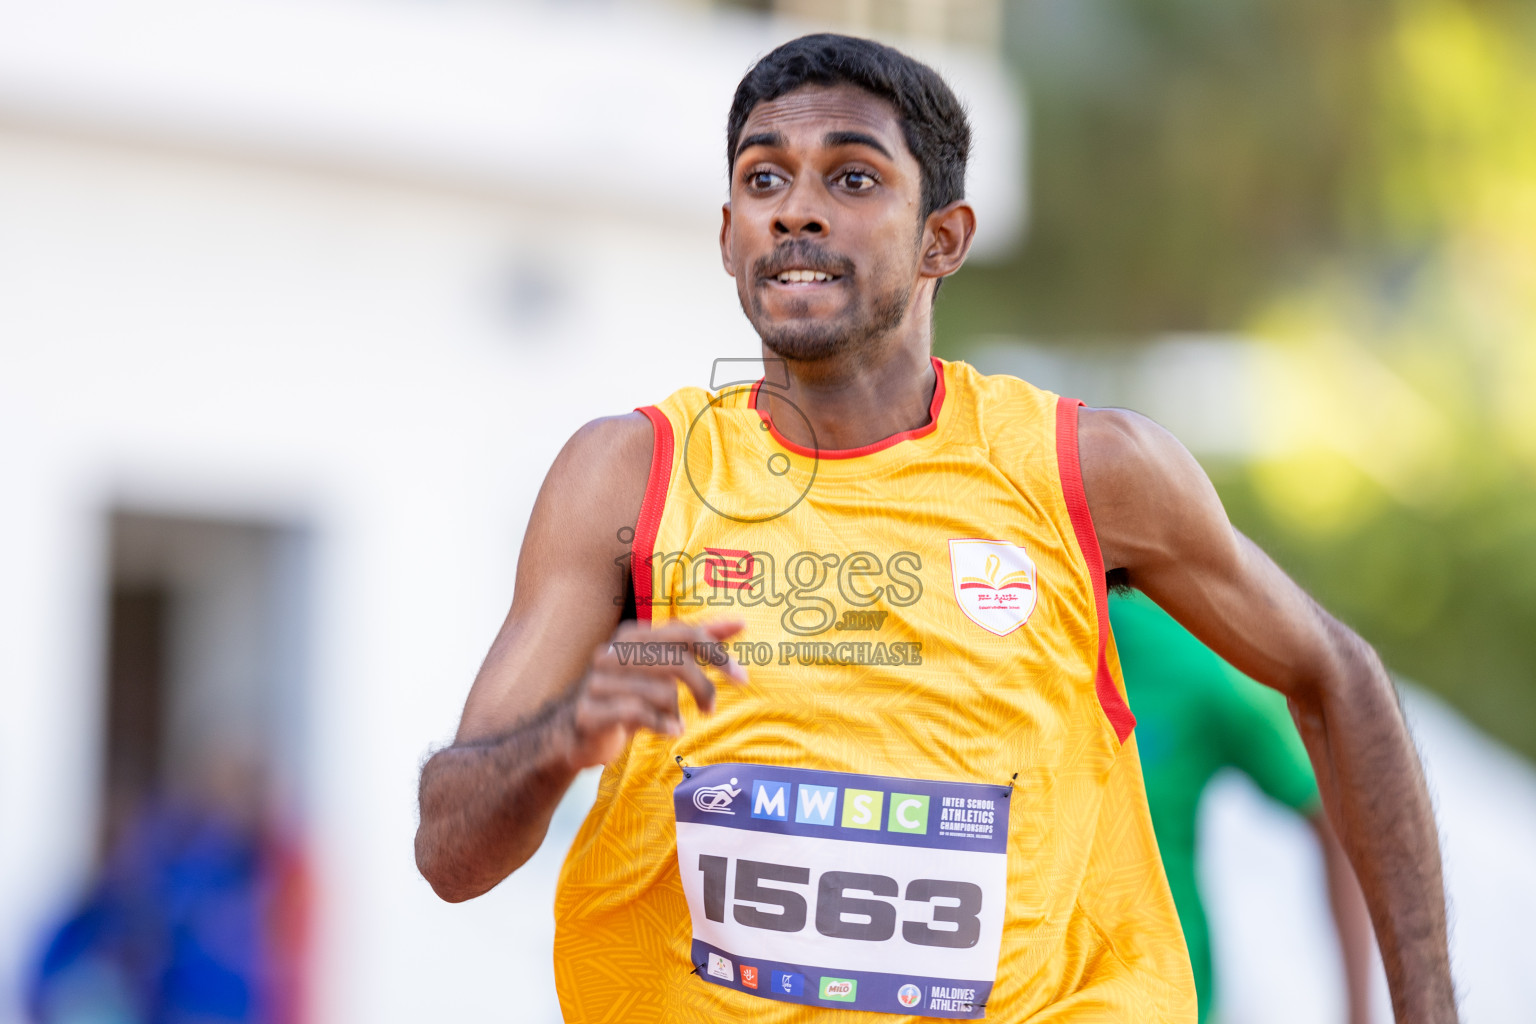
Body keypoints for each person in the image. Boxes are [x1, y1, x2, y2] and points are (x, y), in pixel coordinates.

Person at [414, 33, 1455, 1023]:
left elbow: (1339, 676)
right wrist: (558, 741)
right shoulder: (626, 476)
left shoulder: (1087, 469)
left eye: (852, 178)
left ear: (942, 239)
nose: (795, 212)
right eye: (763, 178)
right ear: (728, 233)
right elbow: (449, 856)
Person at [1110, 588, 1376, 1023]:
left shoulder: (1190, 660)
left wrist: (1359, 1013)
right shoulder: (991, 643)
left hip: (1158, 1001)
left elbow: (1337, 815)